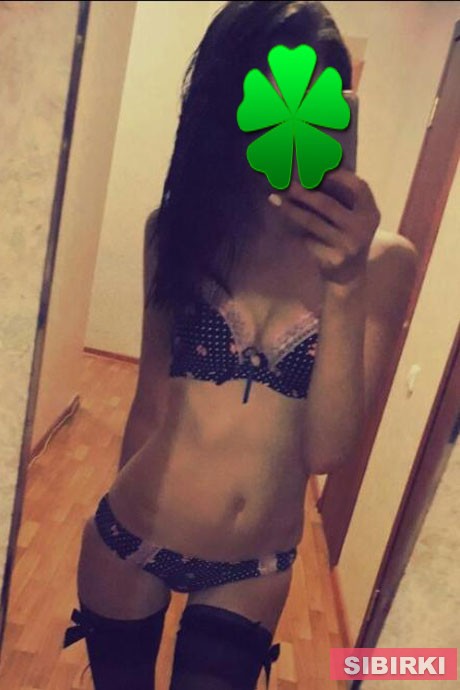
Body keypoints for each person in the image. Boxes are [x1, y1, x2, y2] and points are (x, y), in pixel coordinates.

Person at [62, 1, 418, 688]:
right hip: (130, 537)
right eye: (266, 106)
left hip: (253, 570)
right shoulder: (178, 230)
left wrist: (344, 285)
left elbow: (327, 451)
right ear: (228, 112)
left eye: (313, 106)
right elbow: (149, 404)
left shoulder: (380, 263)